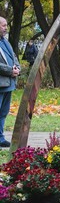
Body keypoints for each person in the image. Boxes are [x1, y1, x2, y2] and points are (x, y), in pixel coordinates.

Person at [0, 16, 20, 147]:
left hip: (8, 83)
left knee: (3, 112)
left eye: (6, 25)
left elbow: (14, 56)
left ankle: (0, 138)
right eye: (3, 25)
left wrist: (17, 68)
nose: (6, 28)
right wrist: (9, 70)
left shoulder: (5, 41)